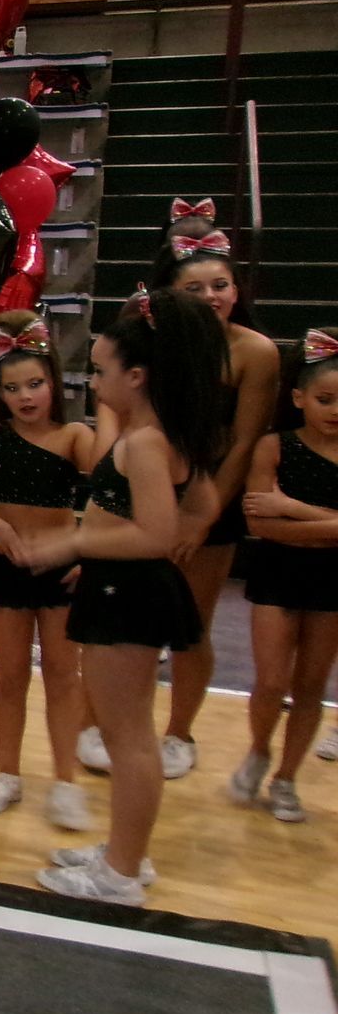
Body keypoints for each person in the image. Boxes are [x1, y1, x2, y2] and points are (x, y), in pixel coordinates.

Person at [29, 287, 226, 905]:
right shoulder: (156, 433)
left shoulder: (144, 441)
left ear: (136, 376)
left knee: (127, 737)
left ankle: (119, 874)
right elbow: (201, 505)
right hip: (126, 585)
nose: (93, 379)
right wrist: (105, 546)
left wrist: (74, 545)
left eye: (101, 368)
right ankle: (125, 853)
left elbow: (156, 532)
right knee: (125, 733)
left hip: (130, 593)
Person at [78, 202, 278, 780]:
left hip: (205, 502)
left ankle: (179, 732)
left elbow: (242, 444)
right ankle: (99, 724)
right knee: (111, 618)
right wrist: (109, 481)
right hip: (133, 492)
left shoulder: (255, 353)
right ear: (166, 293)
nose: (212, 295)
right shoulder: (145, 350)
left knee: (191, 623)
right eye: (195, 287)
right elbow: (112, 416)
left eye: (221, 284)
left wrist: (196, 521)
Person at [0, 312, 98, 823]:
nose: (26, 396)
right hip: (6, 564)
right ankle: (8, 772)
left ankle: (64, 781)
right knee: (10, 675)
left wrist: (83, 546)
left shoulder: (75, 436)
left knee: (62, 673)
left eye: (36, 383)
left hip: (61, 570)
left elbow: (118, 494)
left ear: (55, 381)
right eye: (13, 387)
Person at [233, 329, 338, 821]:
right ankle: (259, 749)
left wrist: (290, 508)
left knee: (312, 684)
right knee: (272, 681)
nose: (334, 410)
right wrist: (327, 526)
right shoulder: (274, 446)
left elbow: (277, 516)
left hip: (331, 582)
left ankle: (287, 778)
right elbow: (259, 523)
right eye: (325, 399)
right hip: (277, 573)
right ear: (298, 398)